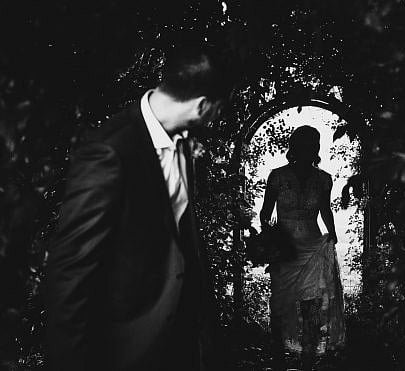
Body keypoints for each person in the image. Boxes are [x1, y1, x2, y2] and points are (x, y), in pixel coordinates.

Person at [45, 44, 233, 371]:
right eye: (220, 110)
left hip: (179, 344)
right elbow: (70, 272)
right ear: (203, 106)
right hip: (125, 349)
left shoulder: (183, 141)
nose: (218, 119)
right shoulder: (109, 151)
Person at [259, 125, 346, 371]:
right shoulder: (277, 176)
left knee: (311, 307)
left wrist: (333, 234)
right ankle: (278, 360)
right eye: (307, 143)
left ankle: (307, 362)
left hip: (312, 248)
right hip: (283, 250)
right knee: (279, 304)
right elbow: (265, 213)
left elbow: (326, 210)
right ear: (296, 146)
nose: (312, 148)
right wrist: (270, 241)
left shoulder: (323, 179)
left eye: (314, 143)